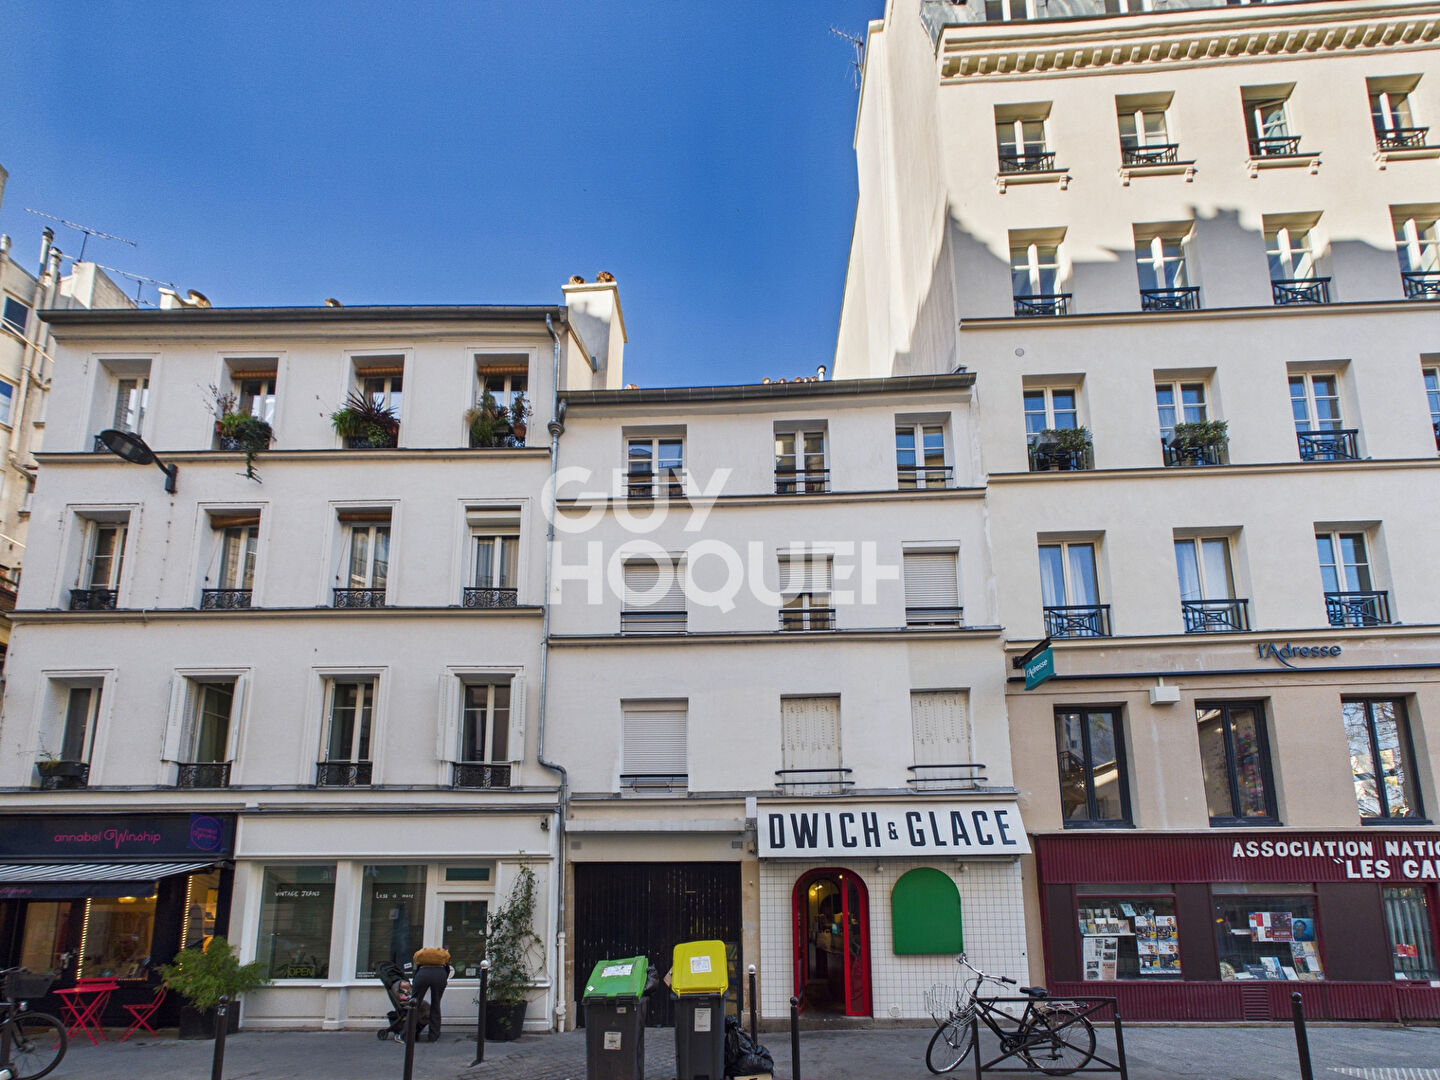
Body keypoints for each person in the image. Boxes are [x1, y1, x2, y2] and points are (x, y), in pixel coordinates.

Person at [411, 946, 452, 1042]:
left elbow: (416, 971)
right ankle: (434, 1036)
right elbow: (447, 970)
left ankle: (408, 1035)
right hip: (440, 974)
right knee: (436, 1004)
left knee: (414, 1005)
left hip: (422, 973)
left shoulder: (421, 959)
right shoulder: (442, 958)